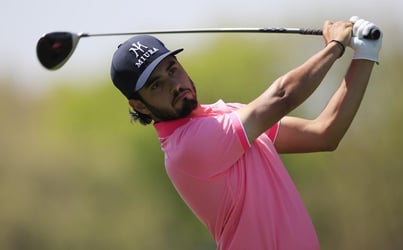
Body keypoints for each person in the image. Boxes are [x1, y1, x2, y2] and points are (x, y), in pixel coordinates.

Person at [110, 16, 382, 250]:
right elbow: (282, 96)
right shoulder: (187, 147)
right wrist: (334, 46)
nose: (175, 85)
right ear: (138, 105)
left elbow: (323, 134)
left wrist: (365, 55)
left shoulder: (226, 115)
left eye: (173, 69)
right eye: (157, 85)